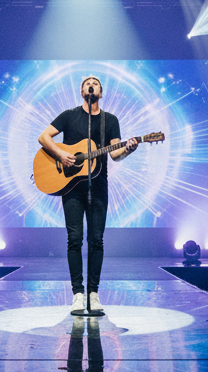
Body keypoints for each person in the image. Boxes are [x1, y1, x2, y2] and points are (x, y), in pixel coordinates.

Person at [37, 75, 137, 316]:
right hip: (71, 188)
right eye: (87, 83)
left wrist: (129, 149)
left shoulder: (110, 120)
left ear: (100, 93)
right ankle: (77, 294)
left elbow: (115, 154)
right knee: (74, 239)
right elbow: (43, 137)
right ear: (82, 91)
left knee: (97, 240)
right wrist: (61, 155)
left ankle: (93, 292)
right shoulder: (69, 115)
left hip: (98, 186)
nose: (91, 85)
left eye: (96, 84)